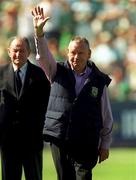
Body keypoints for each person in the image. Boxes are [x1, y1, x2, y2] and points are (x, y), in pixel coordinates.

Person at [32, 6, 113, 180]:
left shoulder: (100, 80)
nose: (76, 57)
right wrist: (39, 34)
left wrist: (105, 144)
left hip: (86, 141)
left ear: (89, 54)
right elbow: (44, 56)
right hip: (60, 138)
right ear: (67, 53)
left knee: (83, 177)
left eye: (80, 53)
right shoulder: (56, 70)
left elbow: (106, 114)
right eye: (73, 53)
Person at [0, 36, 50, 180]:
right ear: (9, 51)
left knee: (34, 176)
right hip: (7, 140)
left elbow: (45, 105)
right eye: (15, 50)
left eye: (22, 51)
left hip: (32, 139)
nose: (18, 54)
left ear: (29, 52)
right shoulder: (1, 73)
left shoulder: (40, 75)